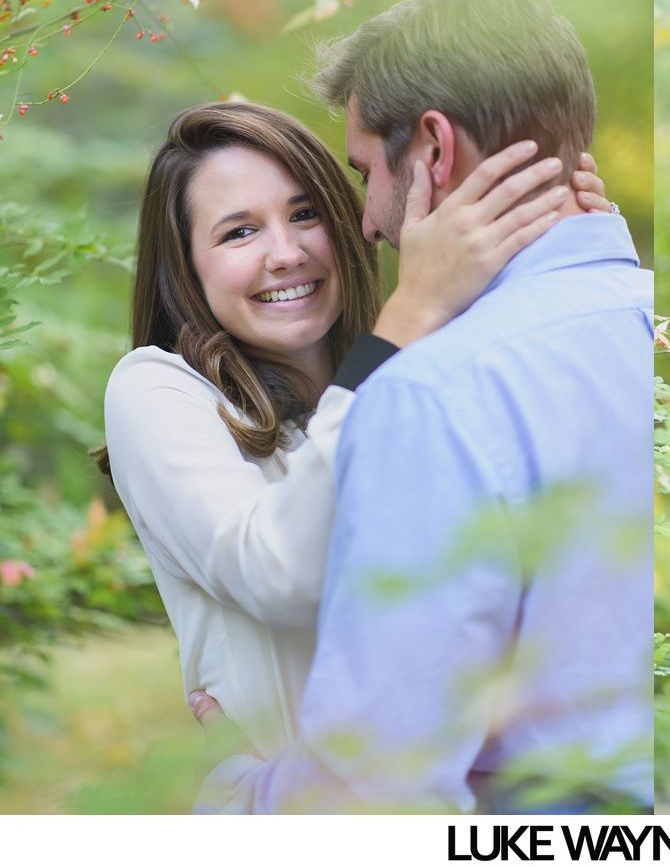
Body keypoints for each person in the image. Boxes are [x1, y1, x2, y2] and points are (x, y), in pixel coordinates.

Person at [198, 0, 654, 813]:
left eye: (366, 170)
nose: (367, 222)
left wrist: (231, 799)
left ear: (434, 151)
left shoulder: (434, 394)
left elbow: (373, 790)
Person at [101, 100, 610, 759]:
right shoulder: (156, 389)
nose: (285, 254)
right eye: (238, 233)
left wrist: (582, 264)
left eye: (304, 213)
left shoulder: (431, 371)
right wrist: (414, 308)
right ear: (186, 267)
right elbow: (282, 570)